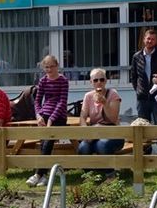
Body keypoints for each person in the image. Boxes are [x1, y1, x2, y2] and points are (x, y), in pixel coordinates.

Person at [27, 54, 69, 187]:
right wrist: (38, 116)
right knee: (44, 142)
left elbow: (62, 102)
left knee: (48, 140)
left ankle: (38, 174)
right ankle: (43, 175)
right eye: (47, 67)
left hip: (59, 115)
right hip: (45, 113)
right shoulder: (43, 81)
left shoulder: (63, 81)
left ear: (57, 66)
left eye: (52, 66)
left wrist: (52, 118)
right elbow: (38, 101)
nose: (49, 70)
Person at [77, 68, 123, 175]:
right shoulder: (88, 96)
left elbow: (113, 119)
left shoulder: (113, 94)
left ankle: (110, 175)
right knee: (83, 147)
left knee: (102, 145)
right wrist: (86, 132)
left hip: (113, 133)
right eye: (96, 80)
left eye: (102, 80)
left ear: (106, 81)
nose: (99, 83)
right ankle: (88, 176)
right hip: (94, 133)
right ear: (91, 82)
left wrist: (105, 103)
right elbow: (82, 117)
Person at [130, 29, 157, 126]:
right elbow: (134, 76)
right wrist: (139, 90)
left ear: (156, 41)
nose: (150, 41)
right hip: (142, 98)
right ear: (144, 40)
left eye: (152, 39)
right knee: (142, 126)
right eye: (148, 39)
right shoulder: (137, 56)